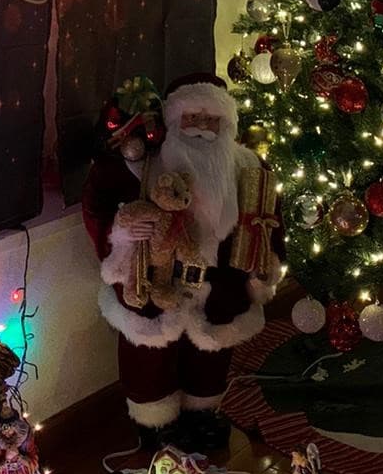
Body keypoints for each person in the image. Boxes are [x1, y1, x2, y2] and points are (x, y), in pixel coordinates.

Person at [83, 74, 285, 451]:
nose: (203, 129)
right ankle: (154, 422)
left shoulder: (249, 167)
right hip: (157, 277)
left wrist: (266, 265)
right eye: (192, 119)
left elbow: (270, 221)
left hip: (221, 279)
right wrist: (124, 228)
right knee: (149, 354)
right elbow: (97, 205)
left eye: (213, 121)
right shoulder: (140, 165)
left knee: (212, 352)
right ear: (173, 122)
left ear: (228, 125)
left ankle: (201, 413)